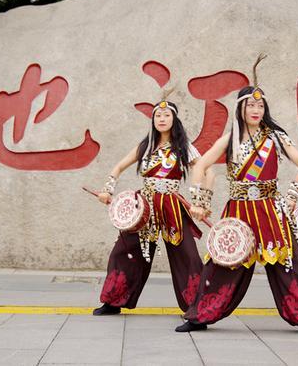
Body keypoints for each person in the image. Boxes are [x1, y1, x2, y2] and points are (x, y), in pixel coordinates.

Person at [175, 56, 298, 335]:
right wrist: (199, 202)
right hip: (239, 210)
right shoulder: (230, 137)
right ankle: (199, 316)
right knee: (224, 262)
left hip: (271, 209)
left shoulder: (276, 136)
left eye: (260, 105)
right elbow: (201, 165)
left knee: (287, 262)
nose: (256, 109)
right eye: (250, 105)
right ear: (241, 109)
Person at [91, 97, 212, 315]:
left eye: (167, 115)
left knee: (188, 255)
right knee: (125, 251)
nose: (162, 119)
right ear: (153, 120)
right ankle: (113, 302)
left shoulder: (184, 147)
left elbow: (207, 172)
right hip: (145, 207)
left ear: (174, 120)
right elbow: (119, 166)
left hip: (171, 206)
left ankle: (197, 308)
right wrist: (108, 190)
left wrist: (200, 203)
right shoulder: (145, 146)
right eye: (158, 115)